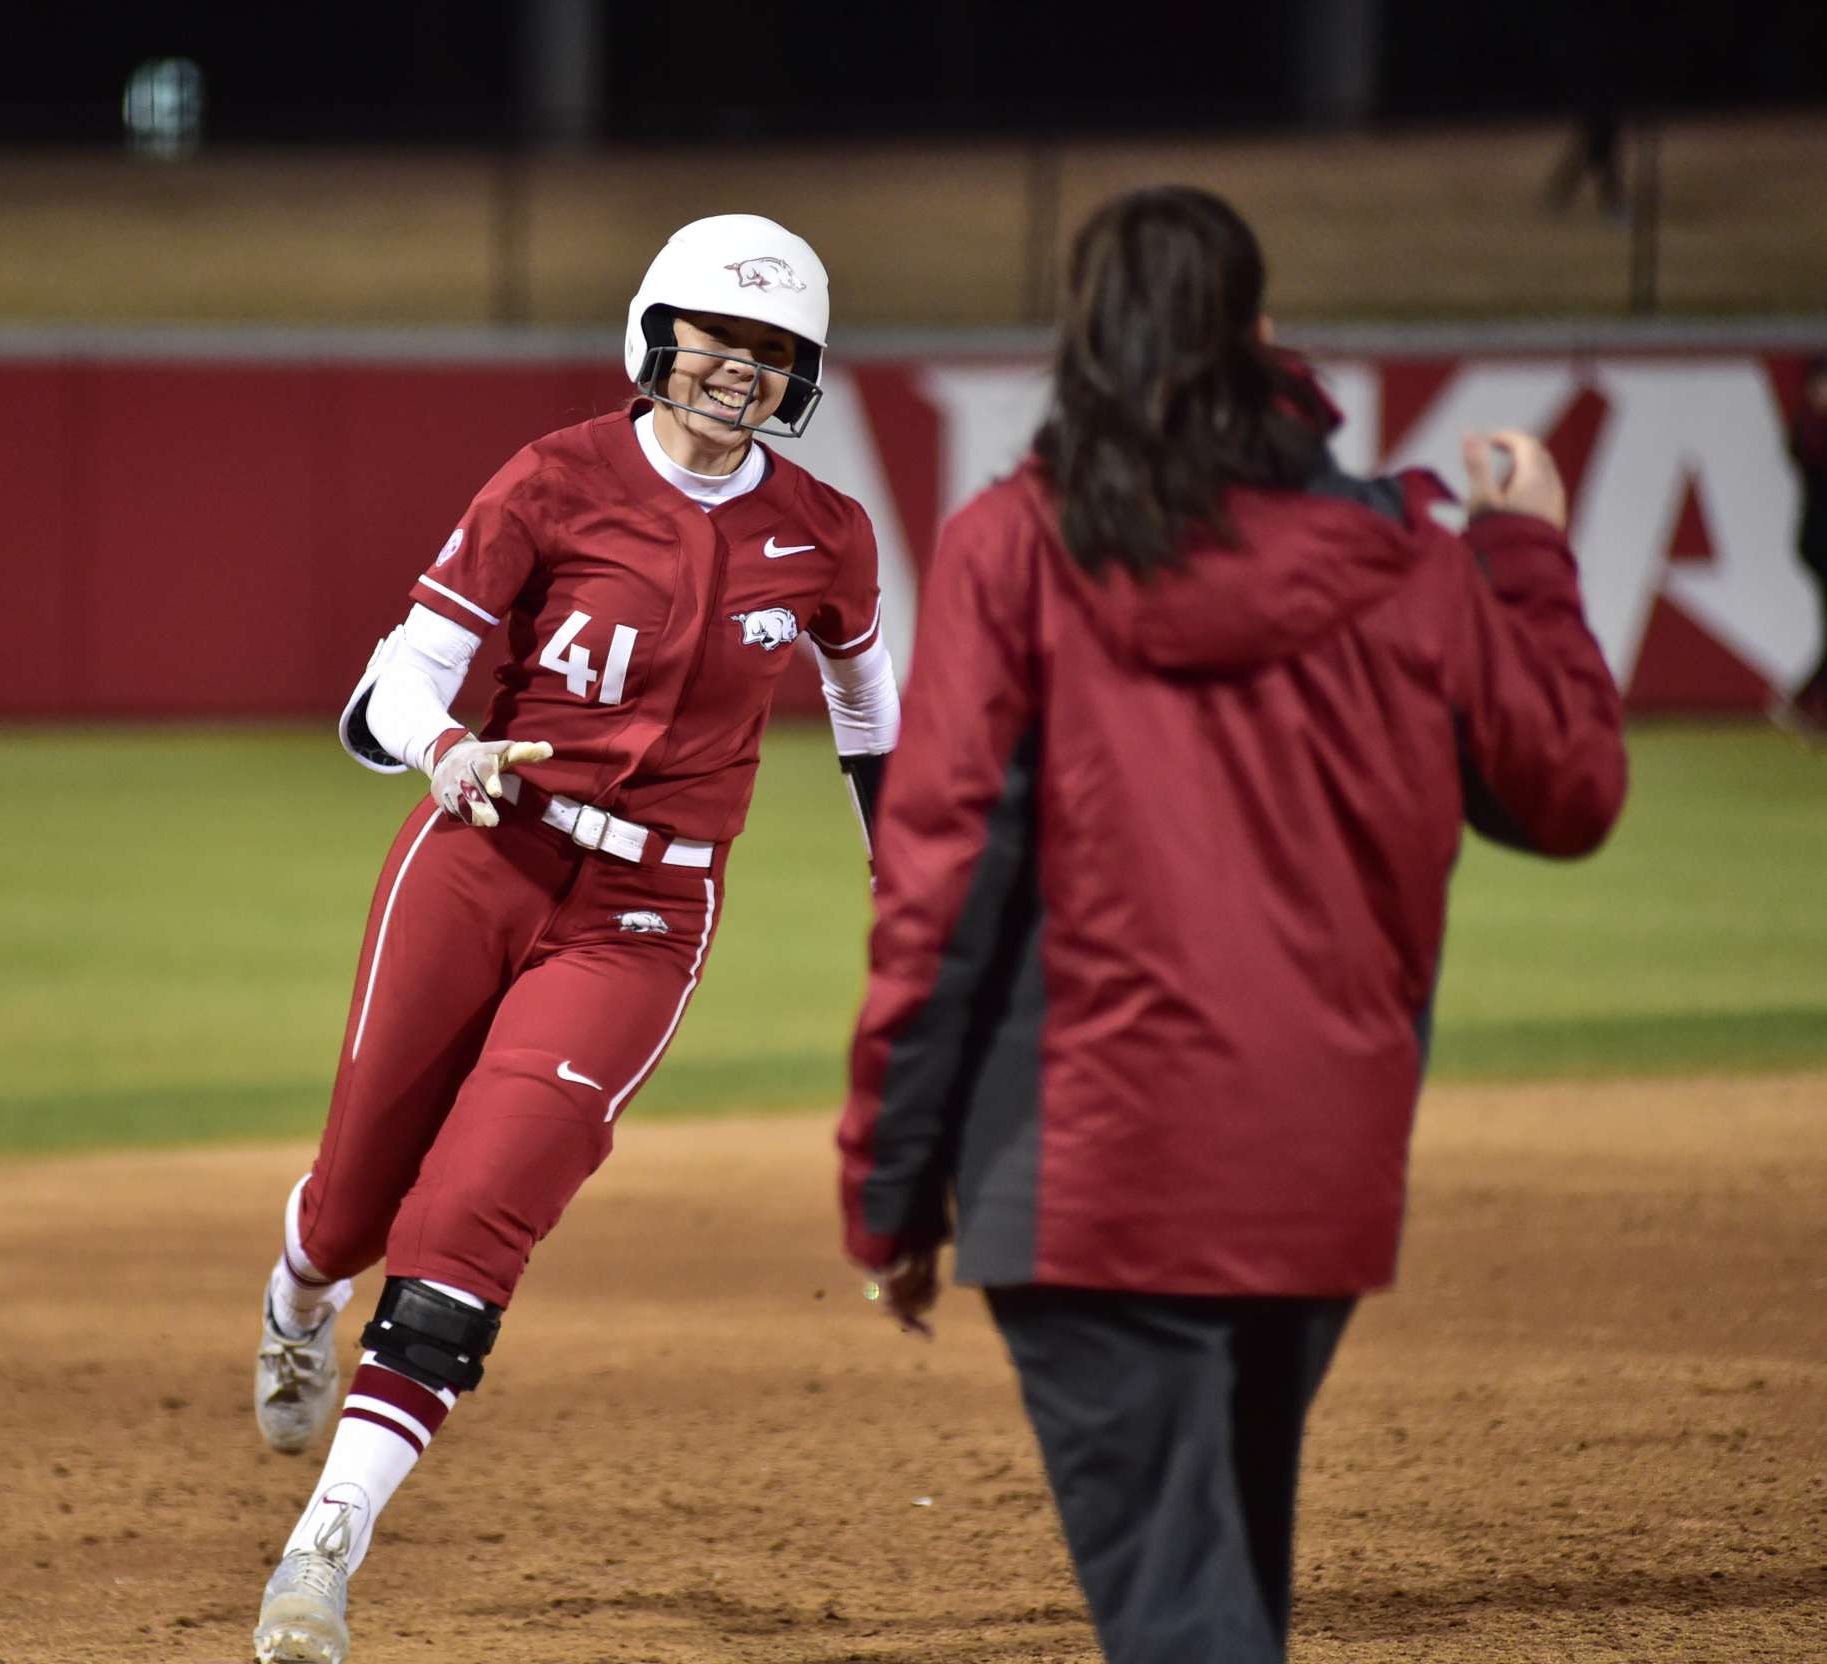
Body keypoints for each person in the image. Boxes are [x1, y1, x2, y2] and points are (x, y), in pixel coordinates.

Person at [835, 186, 1628, 1664]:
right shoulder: (1411, 557)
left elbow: (938, 881)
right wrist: (1523, 554)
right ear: (1264, 342)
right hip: (1315, 1174)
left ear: (1085, 346)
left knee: (1185, 1618)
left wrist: (890, 1186)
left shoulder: (1013, 547)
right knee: (1224, 1587)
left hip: (1083, 1176)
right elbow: (1569, 792)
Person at [248, 213, 900, 1664]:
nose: (742, 368)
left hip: (650, 914)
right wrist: (446, 748)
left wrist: (900, 851)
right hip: (481, 857)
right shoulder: (555, 478)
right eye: (719, 337)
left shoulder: (829, 535)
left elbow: (868, 696)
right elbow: (391, 686)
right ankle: (301, 1290)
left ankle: (321, 1556)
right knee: (359, 1199)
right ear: (655, 336)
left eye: (776, 350)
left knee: (476, 1212)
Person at [1783, 354, 1827, 730]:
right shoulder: (1809, 428)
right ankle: (1801, 703)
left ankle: (1802, 703)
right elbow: (1805, 453)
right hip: (1820, 542)